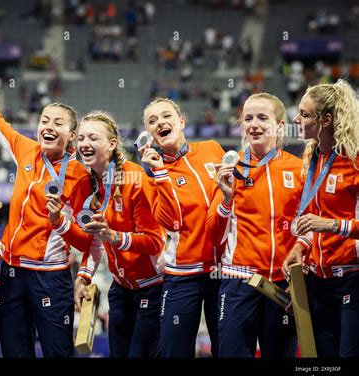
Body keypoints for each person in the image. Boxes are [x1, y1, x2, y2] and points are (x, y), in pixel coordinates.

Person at [0, 46, 95, 357]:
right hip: (11, 273)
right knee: (15, 352)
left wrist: (63, 227)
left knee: (58, 353)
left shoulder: (82, 176)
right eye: (44, 120)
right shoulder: (25, 150)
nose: (48, 127)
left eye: (58, 123)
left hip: (51, 277)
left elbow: (90, 242)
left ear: (72, 134)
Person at [47, 111, 165, 357]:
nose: (84, 144)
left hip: (152, 288)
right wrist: (83, 278)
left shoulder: (136, 178)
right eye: (80, 138)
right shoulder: (84, 185)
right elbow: (93, 244)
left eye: (93, 138)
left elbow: (155, 242)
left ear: (112, 144)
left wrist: (114, 236)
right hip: (120, 289)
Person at [207, 93, 301, 357]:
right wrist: (226, 199)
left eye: (262, 117)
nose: (254, 124)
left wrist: (301, 279)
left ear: (280, 126)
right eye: (248, 118)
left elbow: (307, 231)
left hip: (281, 285)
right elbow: (214, 235)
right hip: (239, 282)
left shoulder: (298, 169)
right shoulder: (230, 168)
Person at [139, 97, 225, 357]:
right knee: (175, 351)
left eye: (166, 116)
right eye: (152, 121)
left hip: (223, 270)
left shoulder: (212, 148)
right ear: (149, 135)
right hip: (182, 274)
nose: (160, 123)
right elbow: (170, 221)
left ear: (181, 122)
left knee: (229, 349)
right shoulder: (150, 174)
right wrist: (160, 175)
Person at [282, 79, 359, 357]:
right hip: (317, 282)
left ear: (326, 120)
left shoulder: (355, 159)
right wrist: (300, 245)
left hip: (351, 278)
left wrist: (331, 225)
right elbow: (313, 217)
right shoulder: (311, 155)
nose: (296, 118)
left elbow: (324, 220)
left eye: (304, 114)